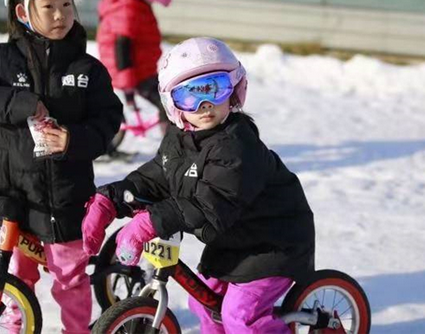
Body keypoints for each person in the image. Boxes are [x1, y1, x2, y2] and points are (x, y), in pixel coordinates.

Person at [82, 37, 315, 334]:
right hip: (235, 242)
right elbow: (157, 177)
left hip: (274, 242)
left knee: (239, 317)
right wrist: (112, 198)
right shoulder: (180, 139)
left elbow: (211, 205)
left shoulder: (237, 146)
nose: (205, 106)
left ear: (235, 89)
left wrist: (152, 221)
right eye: (190, 96)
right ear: (172, 104)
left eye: (215, 89)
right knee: (203, 301)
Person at [0, 0, 123, 334]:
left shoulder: (87, 69)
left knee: (71, 280)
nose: (61, 14)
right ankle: (15, 328)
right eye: (48, 5)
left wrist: (73, 139)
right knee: (17, 279)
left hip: (68, 201)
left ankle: (77, 331)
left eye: (67, 4)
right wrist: (22, 103)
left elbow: (108, 120)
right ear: (21, 12)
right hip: (18, 198)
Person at [97, 0, 173, 145]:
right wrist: (128, 82)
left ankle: (172, 143)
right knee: (168, 104)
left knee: (169, 101)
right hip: (133, 72)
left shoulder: (133, 2)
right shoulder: (126, 7)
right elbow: (121, 46)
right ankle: (172, 147)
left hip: (141, 69)